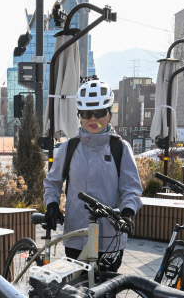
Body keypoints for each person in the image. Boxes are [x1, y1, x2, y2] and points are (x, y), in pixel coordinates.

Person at [43, 78, 142, 272]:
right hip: (76, 234)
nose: (93, 119)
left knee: (106, 294)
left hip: (110, 236)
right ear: (79, 115)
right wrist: (52, 205)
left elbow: (131, 188)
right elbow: (52, 182)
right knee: (77, 292)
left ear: (109, 113)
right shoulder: (69, 147)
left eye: (99, 113)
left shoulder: (120, 148)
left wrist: (128, 213)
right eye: (87, 113)